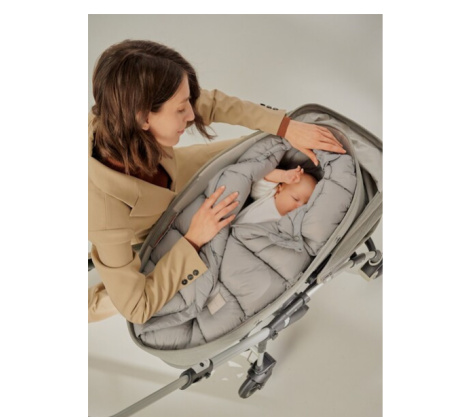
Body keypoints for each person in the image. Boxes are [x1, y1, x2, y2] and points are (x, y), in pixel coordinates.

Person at [88, 39, 345, 324]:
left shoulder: (136, 112)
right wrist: (193, 239)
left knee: (254, 149)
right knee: (127, 293)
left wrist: (284, 126)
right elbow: (137, 307)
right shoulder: (105, 215)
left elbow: (210, 103)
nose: (191, 115)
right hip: (134, 222)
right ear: (142, 118)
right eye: (181, 109)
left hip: (171, 169)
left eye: (188, 103)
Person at [234, 166, 317, 225]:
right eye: (295, 199)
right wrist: (283, 176)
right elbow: (264, 178)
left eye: (305, 205)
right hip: (236, 229)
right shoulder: (268, 195)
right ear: (279, 190)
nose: (300, 207)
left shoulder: (293, 223)